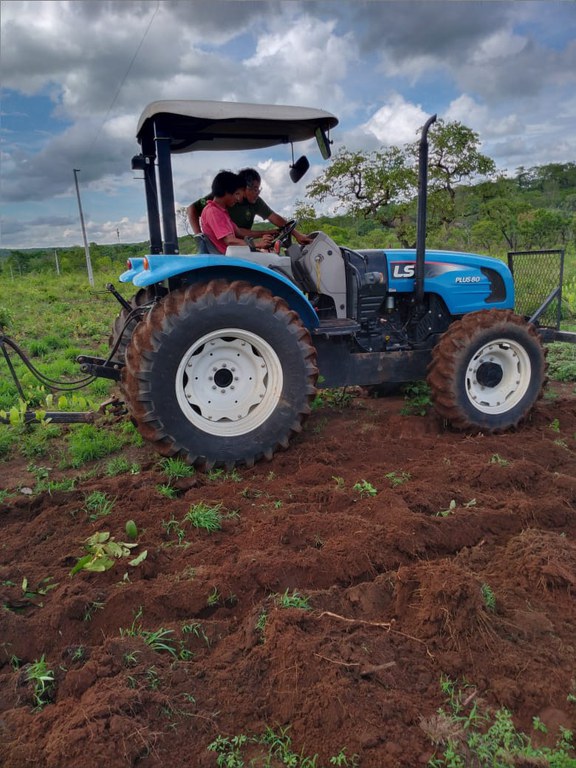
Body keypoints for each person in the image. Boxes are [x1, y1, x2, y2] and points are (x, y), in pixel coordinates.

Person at [188, 167, 312, 245]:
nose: (257, 193)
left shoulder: (227, 209)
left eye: (259, 189)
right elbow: (229, 240)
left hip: (239, 246)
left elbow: (240, 231)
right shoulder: (217, 201)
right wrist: (201, 240)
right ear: (243, 188)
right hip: (231, 250)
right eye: (255, 189)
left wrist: (295, 234)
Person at [199, 171, 272, 254]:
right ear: (226, 192)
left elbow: (240, 232)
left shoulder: (221, 212)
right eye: (237, 194)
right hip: (229, 260)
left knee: (269, 254)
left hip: (234, 256)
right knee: (276, 260)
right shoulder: (213, 212)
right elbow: (230, 241)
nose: (238, 199)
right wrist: (257, 244)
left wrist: (268, 233)